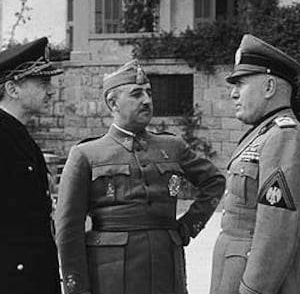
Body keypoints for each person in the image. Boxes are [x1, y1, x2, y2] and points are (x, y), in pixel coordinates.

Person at [55, 60, 226, 294]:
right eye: (136, 94)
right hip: (110, 274)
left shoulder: (172, 146)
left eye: (148, 93)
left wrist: (187, 227)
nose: (146, 100)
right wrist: (77, 288)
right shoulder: (86, 154)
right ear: (112, 103)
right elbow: (68, 230)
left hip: (166, 266)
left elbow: (214, 181)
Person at [210, 34, 300, 294]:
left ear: (270, 87)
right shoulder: (262, 133)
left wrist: (253, 290)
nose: (233, 93)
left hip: (262, 283)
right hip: (237, 271)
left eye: (241, 84)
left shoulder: (284, 137)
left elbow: (276, 232)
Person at [0, 37, 63, 294]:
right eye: (42, 82)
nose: (50, 90)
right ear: (12, 89)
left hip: (28, 279)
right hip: (1, 282)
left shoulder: (17, 136)